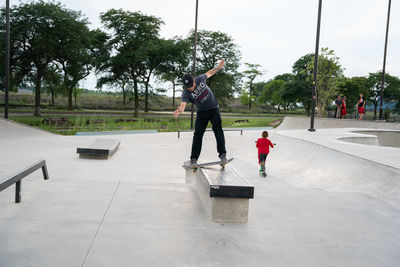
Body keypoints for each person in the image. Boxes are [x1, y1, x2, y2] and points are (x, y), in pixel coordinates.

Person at [173, 59, 227, 167]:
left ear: (194, 80)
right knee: (198, 134)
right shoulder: (186, 93)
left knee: (218, 130)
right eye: (188, 88)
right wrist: (180, 110)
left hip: (213, 109)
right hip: (202, 113)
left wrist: (218, 67)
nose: (191, 89)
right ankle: (193, 158)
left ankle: (222, 155)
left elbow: (210, 73)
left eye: (192, 86)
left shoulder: (200, 79)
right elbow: (183, 104)